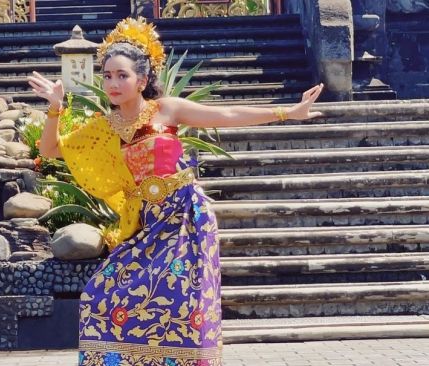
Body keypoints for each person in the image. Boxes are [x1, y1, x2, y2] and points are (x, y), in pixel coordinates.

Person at [28, 17, 323, 366]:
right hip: (147, 222)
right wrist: (55, 108)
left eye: (122, 75)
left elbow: (225, 113)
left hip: (185, 215)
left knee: (184, 300)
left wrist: (287, 112)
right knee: (100, 293)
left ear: (143, 79)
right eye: (107, 75)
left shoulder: (166, 109)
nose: (113, 83)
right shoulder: (103, 127)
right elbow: (51, 150)